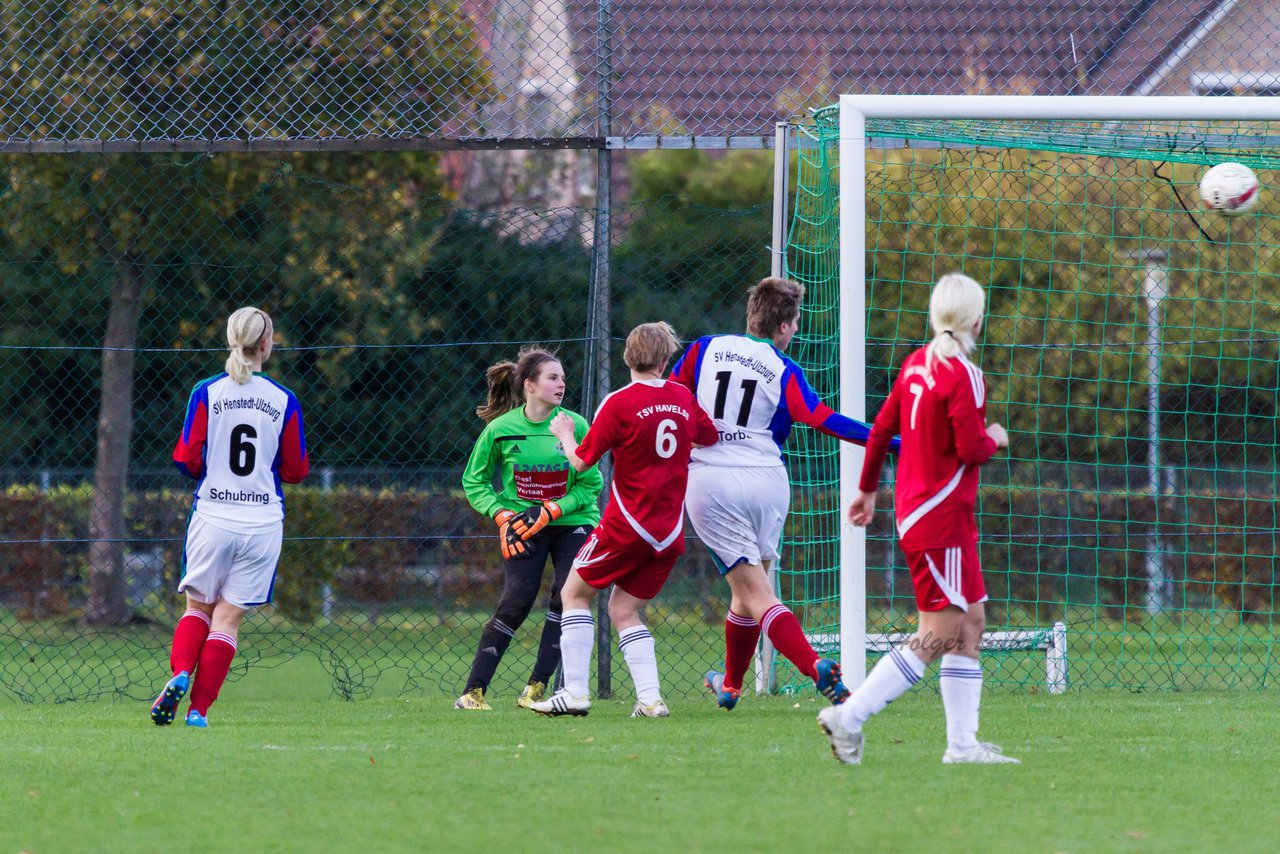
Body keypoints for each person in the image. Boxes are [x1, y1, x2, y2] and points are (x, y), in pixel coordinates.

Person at [818, 272, 1020, 766]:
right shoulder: (964, 374)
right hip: (941, 518)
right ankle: (850, 716)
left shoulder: (914, 366)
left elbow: (881, 429)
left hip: (924, 514)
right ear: (977, 318)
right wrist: (996, 436)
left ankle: (962, 746)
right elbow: (972, 447)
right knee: (939, 634)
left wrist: (867, 489)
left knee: (971, 623)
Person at [669, 276, 895, 710]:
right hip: (768, 483)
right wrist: (892, 441)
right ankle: (731, 685)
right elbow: (823, 418)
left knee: (755, 591)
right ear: (787, 325)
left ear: (752, 314)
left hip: (713, 480)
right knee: (750, 589)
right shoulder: (784, 369)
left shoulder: (704, 349)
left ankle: (815, 667)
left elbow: (674, 397)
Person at [530, 322, 718, 718]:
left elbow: (581, 461)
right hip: (668, 535)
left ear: (628, 356)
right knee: (623, 610)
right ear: (666, 359)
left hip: (627, 526)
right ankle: (650, 699)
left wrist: (565, 432)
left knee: (573, 593)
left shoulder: (618, 403)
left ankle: (576, 693)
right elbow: (708, 436)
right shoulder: (682, 396)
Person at [151, 307, 309, 728]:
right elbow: (296, 470)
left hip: (214, 516)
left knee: (198, 608)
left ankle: (181, 673)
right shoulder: (283, 400)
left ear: (231, 340)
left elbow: (186, 457)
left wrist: (208, 468)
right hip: (261, 524)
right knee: (227, 620)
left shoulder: (207, 391)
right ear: (265, 345)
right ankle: (198, 713)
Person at [456, 347, 603, 710]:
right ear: (530, 386)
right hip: (523, 524)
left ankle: (537, 687)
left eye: (563, 378)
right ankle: (472, 692)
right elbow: (474, 482)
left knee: (566, 598)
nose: (561, 384)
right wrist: (502, 516)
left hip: (573, 522)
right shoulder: (500, 430)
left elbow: (591, 485)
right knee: (516, 603)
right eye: (553, 377)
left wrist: (553, 509)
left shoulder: (575, 426)